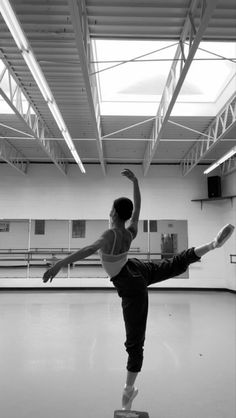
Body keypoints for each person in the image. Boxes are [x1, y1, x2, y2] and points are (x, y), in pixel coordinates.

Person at [42, 169, 235, 411]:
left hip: (130, 283)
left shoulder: (110, 234)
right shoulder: (129, 232)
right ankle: (212, 245)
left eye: (110, 209)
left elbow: (88, 250)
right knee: (172, 265)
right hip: (135, 268)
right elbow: (138, 209)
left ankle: (128, 392)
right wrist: (135, 182)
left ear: (113, 213)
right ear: (126, 215)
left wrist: (59, 264)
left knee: (135, 341)